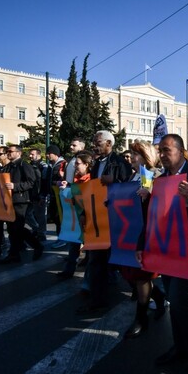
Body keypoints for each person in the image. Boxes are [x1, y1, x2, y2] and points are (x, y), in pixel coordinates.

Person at [138, 133, 188, 374]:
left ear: (181, 152)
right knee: (175, 300)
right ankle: (180, 348)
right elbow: (152, 217)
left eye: (166, 150)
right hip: (165, 248)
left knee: (180, 299)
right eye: (160, 151)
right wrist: (142, 244)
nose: (161, 155)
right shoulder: (159, 179)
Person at [77, 130, 132, 313]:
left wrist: (114, 181)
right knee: (96, 260)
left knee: (123, 262)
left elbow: (128, 188)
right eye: (93, 140)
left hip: (115, 219)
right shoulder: (96, 165)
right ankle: (97, 298)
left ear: (109, 143)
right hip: (98, 219)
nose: (94, 144)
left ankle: (148, 293)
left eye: (98, 141)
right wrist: (85, 212)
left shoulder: (120, 163)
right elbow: (91, 191)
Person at [120, 140, 167, 338]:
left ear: (145, 156)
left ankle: (141, 319)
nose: (131, 157)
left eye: (135, 154)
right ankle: (158, 296)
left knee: (141, 277)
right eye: (131, 153)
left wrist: (149, 193)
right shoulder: (133, 175)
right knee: (132, 274)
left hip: (145, 234)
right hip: (130, 233)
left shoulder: (151, 175)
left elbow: (157, 201)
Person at [0, 145, 44, 264]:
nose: (8, 153)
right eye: (7, 151)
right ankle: (15, 253)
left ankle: (35, 246)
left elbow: (31, 182)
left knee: (17, 228)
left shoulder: (24, 165)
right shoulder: (8, 166)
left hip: (20, 200)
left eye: (11, 151)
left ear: (19, 153)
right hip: (8, 200)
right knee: (12, 229)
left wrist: (15, 186)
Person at [56, 150, 93, 280]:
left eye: (77, 164)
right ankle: (69, 270)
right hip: (77, 218)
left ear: (86, 165)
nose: (75, 166)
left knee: (90, 249)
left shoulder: (91, 180)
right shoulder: (78, 181)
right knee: (74, 243)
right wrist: (69, 186)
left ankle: (91, 278)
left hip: (87, 219)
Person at [46, 145, 66, 247]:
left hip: (60, 195)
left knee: (60, 217)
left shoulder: (62, 164)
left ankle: (63, 239)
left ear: (55, 154)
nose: (47, 155)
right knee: (55, 218)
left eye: (49, 153)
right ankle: (60, 237)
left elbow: (63, 179)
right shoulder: (51, 165)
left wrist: (57, 182)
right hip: (53, 195)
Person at [27, 148, 48, 241]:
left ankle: (41, 233)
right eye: (30, 154)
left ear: (38, 155)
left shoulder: (43, 166)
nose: (30, 156)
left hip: (39, 194)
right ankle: (36, 228)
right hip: (30, 194)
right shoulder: (29, 165)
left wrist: (42, 195)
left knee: (40, 216)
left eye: (32, 154)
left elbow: (44, 181)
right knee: (27, 214)